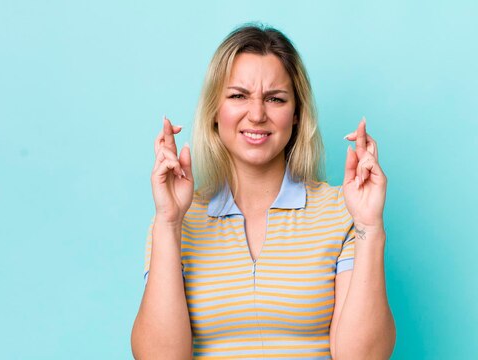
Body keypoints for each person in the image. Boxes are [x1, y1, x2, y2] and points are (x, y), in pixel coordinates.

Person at [131, 23, 396, 360]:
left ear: (297, 113)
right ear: (215, 110)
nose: (256, 115)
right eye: (238, 96)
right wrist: (169, 222)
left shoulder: (342, 212)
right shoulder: (176, 222)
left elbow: (364, 357)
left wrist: (370, 228)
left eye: (275, 99)